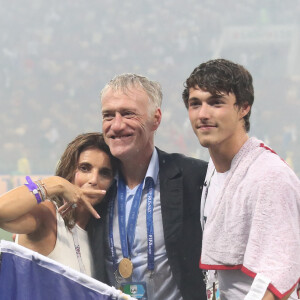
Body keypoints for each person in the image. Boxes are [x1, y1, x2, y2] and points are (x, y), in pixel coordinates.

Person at [182, 58, 300, 300]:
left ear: (243, 107)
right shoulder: (213, 171)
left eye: (216, 103)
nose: (203, 114)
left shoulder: (270, 175)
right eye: (195, 104)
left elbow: (278, 274)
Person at [88, 74, 208, 300]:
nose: (117, 125)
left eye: (128, 113)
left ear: (156, 118)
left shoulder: (193, 178)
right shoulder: (95, 188)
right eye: (108, 115)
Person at [0, 133, 116, 277]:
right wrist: (56, 184)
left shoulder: (100, 234)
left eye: (104, 173)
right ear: (69, 169)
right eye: (85, 168)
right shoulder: (47, 214)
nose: (93, 179)